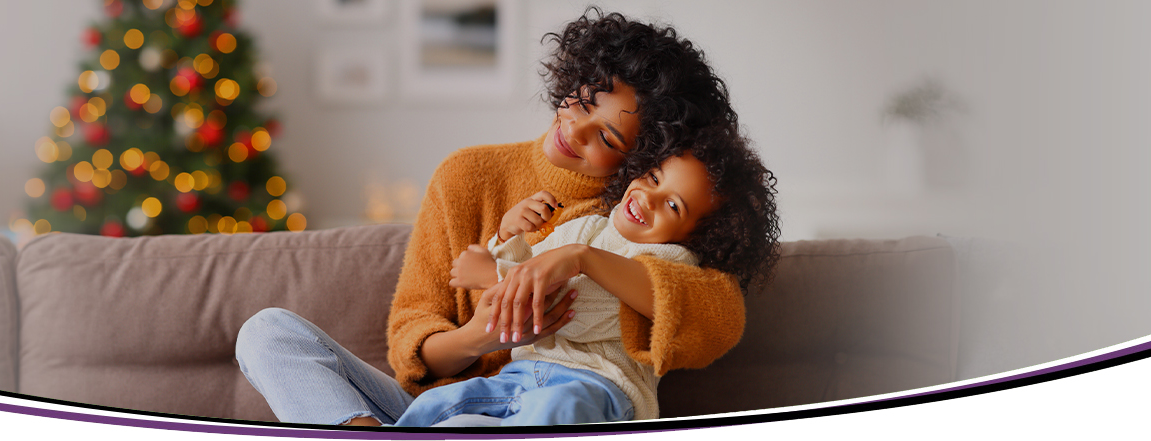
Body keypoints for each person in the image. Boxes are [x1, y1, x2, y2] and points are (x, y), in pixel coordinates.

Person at [234, 8, 758, 426]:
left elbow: (717, 314)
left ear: (649, 154)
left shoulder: (637, 220)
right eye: (582, 101)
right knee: (267, 332)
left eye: (607, 136)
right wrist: (483, 335)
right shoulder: (467, 175)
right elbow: (410, 346)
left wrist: (580, 258)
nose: (573, 130)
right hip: (435, 410)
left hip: (559, 410)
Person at [383, 147, 778, 426]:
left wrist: (495, 276)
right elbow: (530, 268)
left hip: (599, 389)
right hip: (520, 375)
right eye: (653, 177)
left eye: (674, 206)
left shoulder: (671, 263)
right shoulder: (588, 226)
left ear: (696, 237)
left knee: (558, 409)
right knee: (441, 402)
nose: (649, 198)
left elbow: (584, 313)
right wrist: (508, 236)